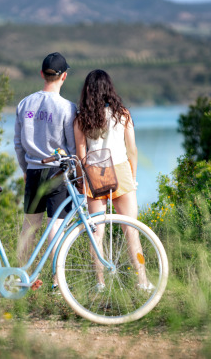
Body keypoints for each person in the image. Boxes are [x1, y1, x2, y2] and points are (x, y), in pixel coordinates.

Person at [74, 69, 153, 291]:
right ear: (110, 89)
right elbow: (133, 150)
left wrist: (84, 178)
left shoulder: (81, 119)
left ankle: (99, 283)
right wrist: (133, 178)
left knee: (97, 233)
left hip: (95, 172)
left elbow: (81, 154)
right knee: (131, 230)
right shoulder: (123, 115)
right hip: (120, 171)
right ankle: (142, 281)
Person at [14, 52, 76, 289]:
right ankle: (58, 281)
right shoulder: (67, 108)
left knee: (29, 227)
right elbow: (71, 147)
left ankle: (21, 276)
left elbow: (18, 144)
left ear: (42, 74)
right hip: (57, 173)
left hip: (32, 170)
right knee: (56, 225)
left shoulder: (24, 103)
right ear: (64, 77)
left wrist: (26, 169)